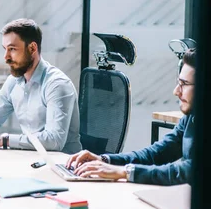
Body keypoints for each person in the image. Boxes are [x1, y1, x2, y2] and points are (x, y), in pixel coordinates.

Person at [65, 49, 196, 185]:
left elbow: (187, 171)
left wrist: (124, 172)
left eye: (184, 84)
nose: (176, 91)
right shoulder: (191, 117)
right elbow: (156, 154)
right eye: (178, 83)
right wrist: (104, 160)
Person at [0, 18, 82, 154]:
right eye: (5, 49)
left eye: (12, 49)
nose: (6, 57)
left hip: (61, 164)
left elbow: (54, 140)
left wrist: (3, 140)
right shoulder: (14, 81)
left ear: (32, 48)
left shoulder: (57, 84)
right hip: (29, 158)